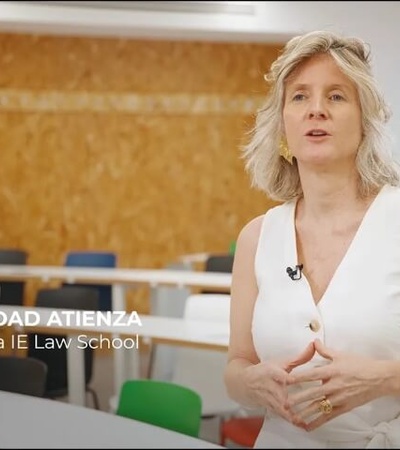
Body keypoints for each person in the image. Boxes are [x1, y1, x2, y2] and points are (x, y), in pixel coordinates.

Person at [224, 29, 400, 448]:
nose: (316, 110)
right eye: (300, 96)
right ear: (283, 120)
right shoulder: (257, 237)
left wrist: (384, 378)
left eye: (336, 96)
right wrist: (252, 384)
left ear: (364, 120)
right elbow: (236, 367)